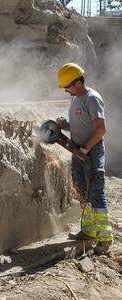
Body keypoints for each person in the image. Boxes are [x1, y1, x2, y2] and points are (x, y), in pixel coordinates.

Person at [57, 63, 113, 254]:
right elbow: (82, 124)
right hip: (79, 151)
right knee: (82, 193)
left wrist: (86, 149)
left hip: (92, 151)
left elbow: (101, 129)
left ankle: (105, 239)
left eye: (68, 86)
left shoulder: (92, 99)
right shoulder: (76, 98)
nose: (66, 90)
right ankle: (89, 232)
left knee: (96, 194)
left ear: (79, 81)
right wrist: (65, 125)